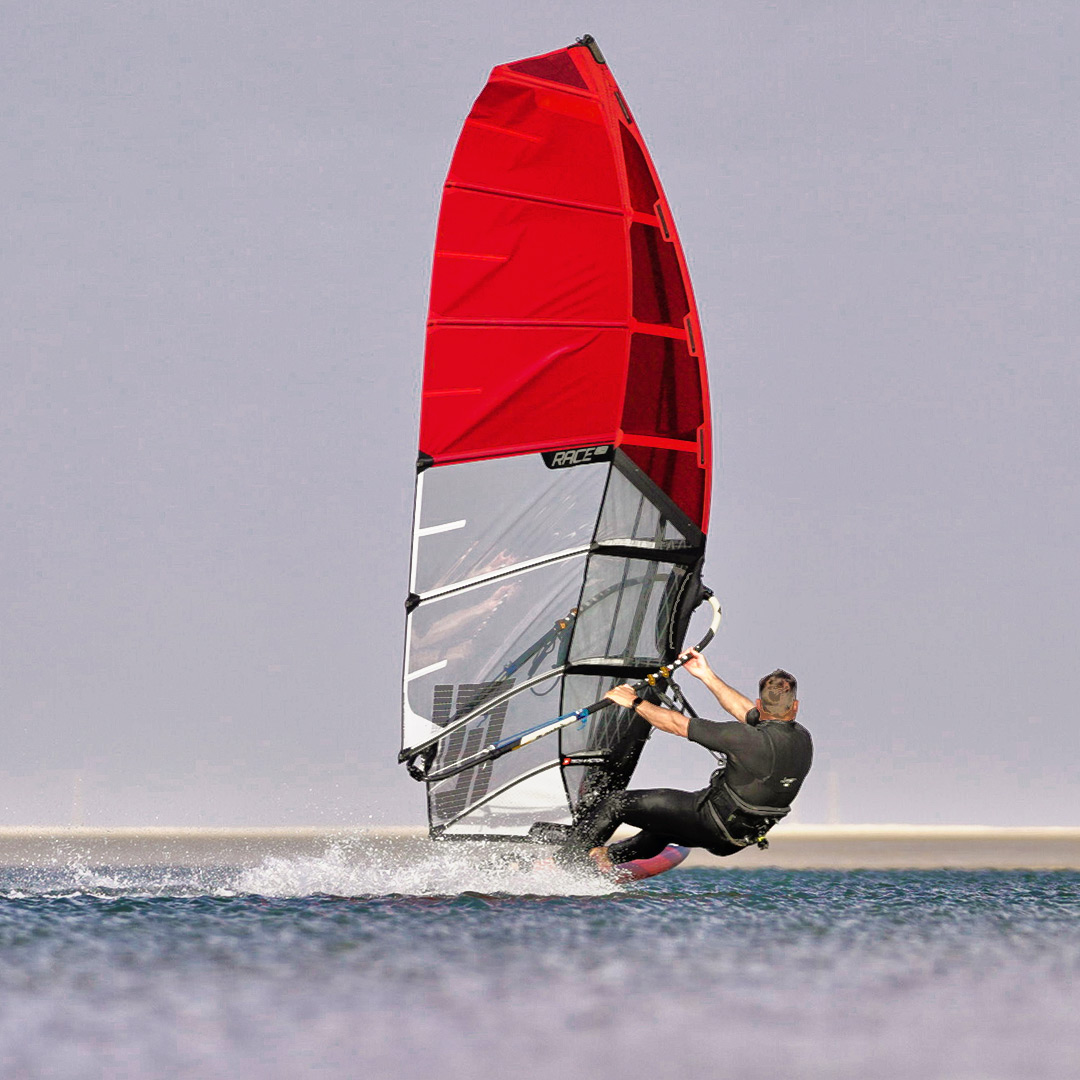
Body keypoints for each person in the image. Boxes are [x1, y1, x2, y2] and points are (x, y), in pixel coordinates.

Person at [565, 650, 813, 872]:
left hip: (709, 823)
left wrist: (633, 701)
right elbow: (746, 712)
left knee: (615, 804)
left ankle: (567, 865)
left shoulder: (743, 737)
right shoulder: (802, 738)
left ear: (759, 704)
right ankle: (606, 857)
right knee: (661, 828)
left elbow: (676, 724)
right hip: (739, 838)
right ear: (795, 706)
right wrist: (706, 675)